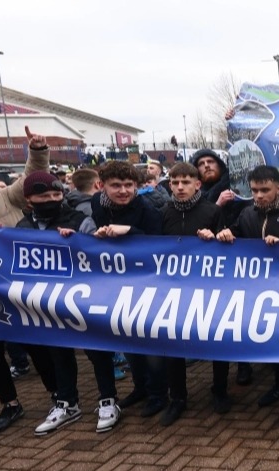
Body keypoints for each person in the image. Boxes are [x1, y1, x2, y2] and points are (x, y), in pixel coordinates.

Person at [12, 171, 118, 436]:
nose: (51, 199)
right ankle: (67, 402)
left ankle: (108, 400)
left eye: (56, 194)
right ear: (29, 199)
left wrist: (80, 242)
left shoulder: (79, 220)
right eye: (44, 196)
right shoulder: (22, 227)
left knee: (97, 350)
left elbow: (98, 252)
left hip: (82, 298)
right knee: (59, 353)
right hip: (47, 303)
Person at [0, 126, 58, 436]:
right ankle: (10, 404)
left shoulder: (1, 197)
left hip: (17, 288)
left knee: (35, 343)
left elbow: (30, 181)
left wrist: (37, 151)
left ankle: (57, 395)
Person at [217, 165, 279, 430]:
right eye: (254, 190)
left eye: (265, 190)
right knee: (273, 345)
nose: (259, 196)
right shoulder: (246, 214)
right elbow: (239, 237)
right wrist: (227, 233)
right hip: (260, 293)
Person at [90, 161, 167, 419]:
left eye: (128, 185)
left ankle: (158, 394)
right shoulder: (96, 206)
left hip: (146, 285)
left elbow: (158, 246)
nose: (123, 191)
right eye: (116, 185)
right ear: (102, 186)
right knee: (127, 339)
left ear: (136, 186)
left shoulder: (148, 210)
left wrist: (130, 231)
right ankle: (141, 388)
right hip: (115, 285)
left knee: (149, 342)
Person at [158, 163, 228, 426]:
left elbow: (227, 244)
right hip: (174, 289)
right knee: (173, 343)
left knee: (216, 339)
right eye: (175, 183)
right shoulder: (163, 213)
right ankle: (177, 398)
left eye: (186, 182)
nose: (179, 187)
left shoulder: (212, 211)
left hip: (209, 288)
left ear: (197, 184)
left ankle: (220, 390)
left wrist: (216, 237)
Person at [191, 149, 253, 384]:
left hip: (237, 257)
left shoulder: (236, 185)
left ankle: (244, 363)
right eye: (202, 163)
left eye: (211, 161)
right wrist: (216, 205)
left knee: (240, 312)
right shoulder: (204, 196)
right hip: (212, 264)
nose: (207, 166)